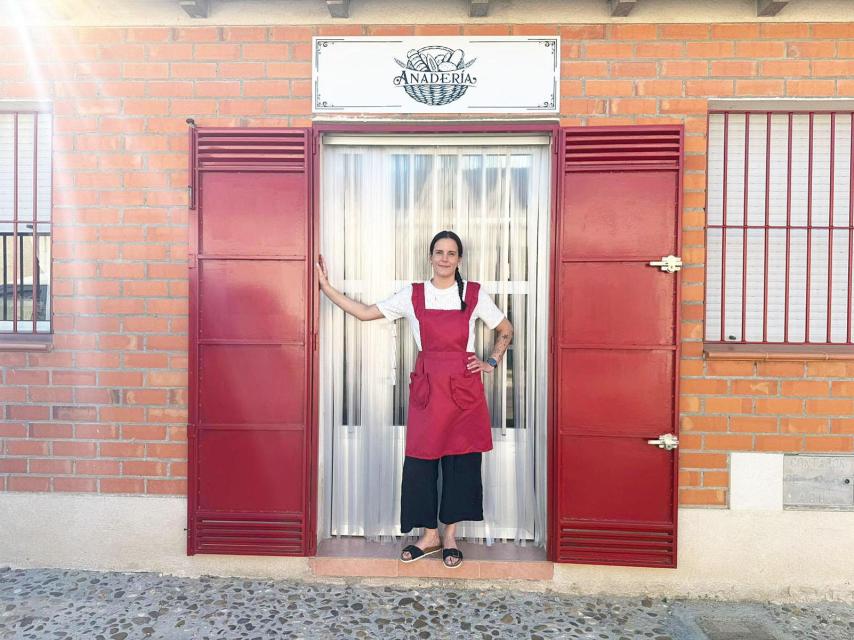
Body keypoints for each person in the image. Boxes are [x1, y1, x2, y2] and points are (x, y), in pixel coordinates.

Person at [315, 230, 513, 568]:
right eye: (439, 252)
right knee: (421, 462)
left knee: (460, 462)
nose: (445, 258)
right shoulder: (413, 295)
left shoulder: (475, 295)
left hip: (463, 389)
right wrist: (326, 288)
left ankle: (449, 535)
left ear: (459, 260)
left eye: (452, 253)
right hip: (428, 388)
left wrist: (491, 361)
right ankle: (429, 534)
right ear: (430, 257)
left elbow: (505, 328)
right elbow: (364, 312)